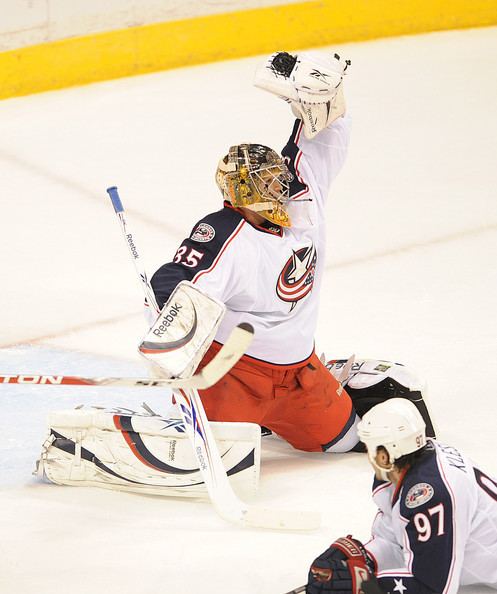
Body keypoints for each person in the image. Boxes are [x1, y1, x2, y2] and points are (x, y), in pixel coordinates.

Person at [147, 50, 433, 454]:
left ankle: (333, 377)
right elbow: (176, 282)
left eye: (278, 178)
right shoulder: (225, 235)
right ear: (241, 193)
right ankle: (231, 419)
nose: (280, 187)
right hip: (236, 374)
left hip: (300, 372)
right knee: (220, 452)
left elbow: (327, 134)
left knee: (343, 442)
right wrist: (170, 339)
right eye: (267, 183)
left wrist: (327, 98)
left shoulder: (303, 199)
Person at [305, 398, 497, 594]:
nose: (367, 454)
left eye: (370, 446)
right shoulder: (411, 465)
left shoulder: (429, 495)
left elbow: (434, 587)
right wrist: (365, 557)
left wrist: (366, 585)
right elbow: (398, 541)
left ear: (386, 454)